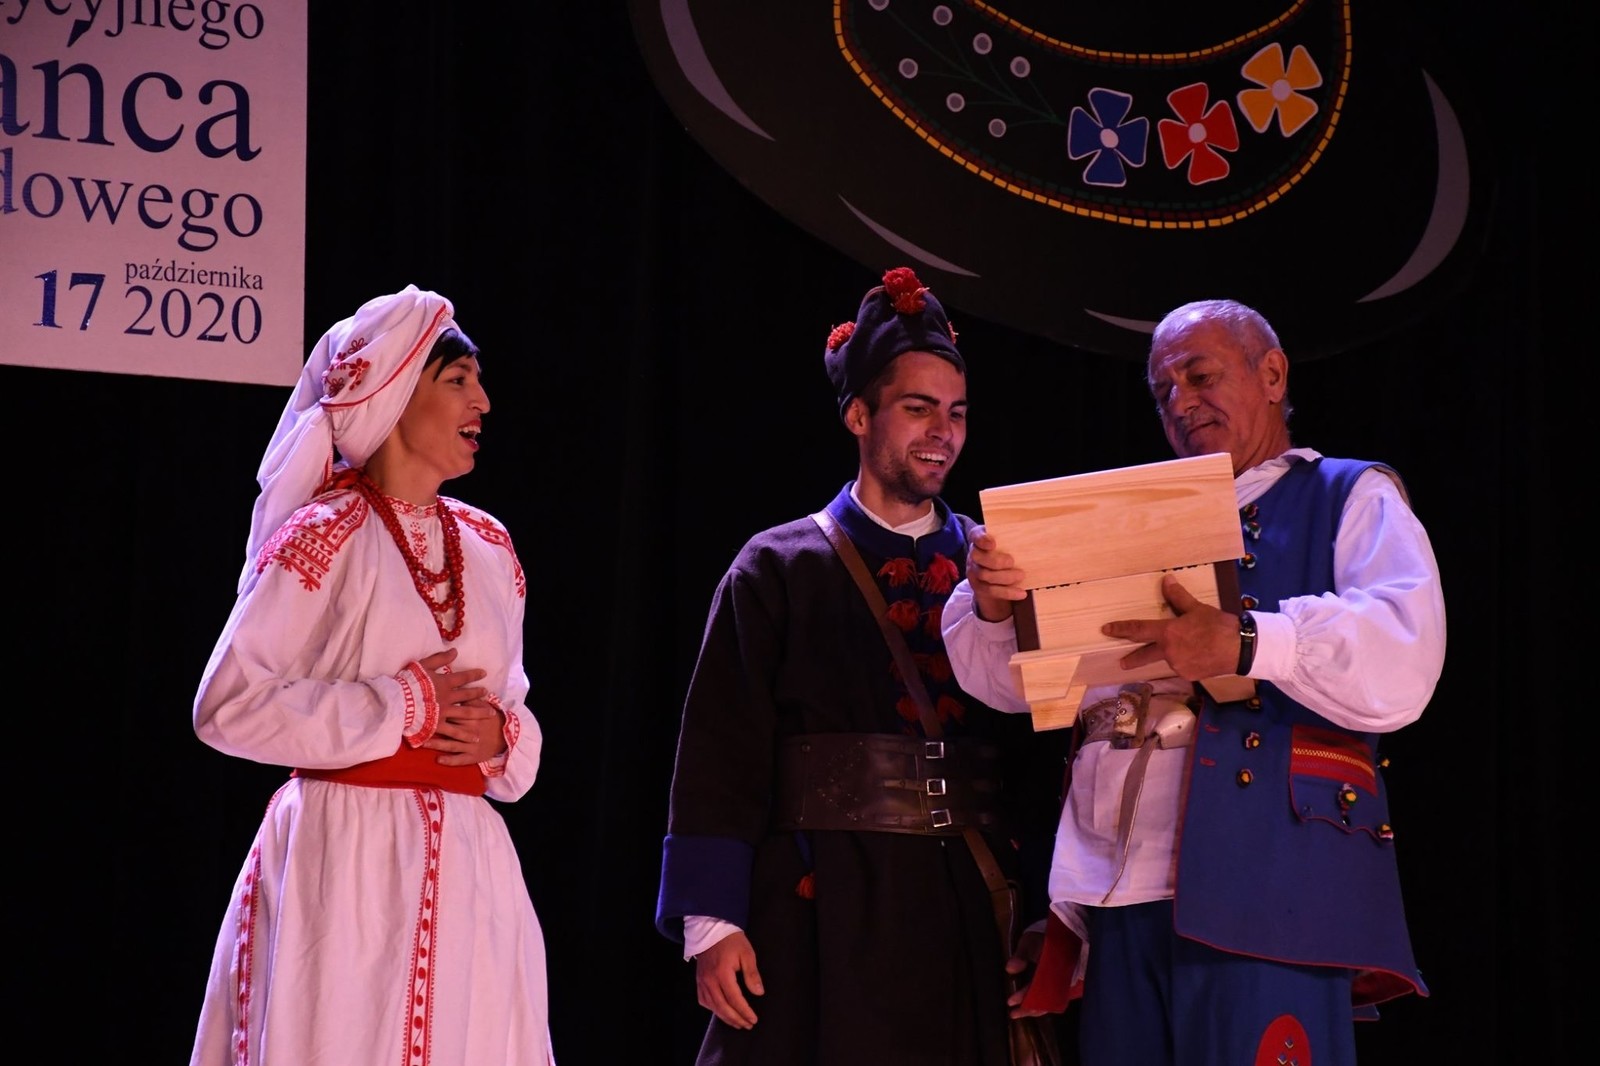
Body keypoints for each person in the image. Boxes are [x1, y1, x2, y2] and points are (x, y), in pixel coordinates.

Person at [942, 298, 1445, 1066]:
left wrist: (1245, 641)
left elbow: (1404, 654)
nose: (1180, 402)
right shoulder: (1125, 519)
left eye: (1200, 376)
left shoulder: (1348, 495)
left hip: (1268, 890)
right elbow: (1008, 687)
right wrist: (993, 604)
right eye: (1163, 391)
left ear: (1271, 374)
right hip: (1121, 894)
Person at [654, 266, 1068, 1065]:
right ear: (857, 415)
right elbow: (720, 751)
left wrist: (1056, 910)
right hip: (824, 905)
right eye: (917, 408)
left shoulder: (1000, 566)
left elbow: (1044, 752)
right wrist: (712, 922)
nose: (941, 431)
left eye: (956, 412)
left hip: (971, 904)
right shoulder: (777, 567)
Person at [188, 285, 556, 1066]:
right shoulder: (324, 535)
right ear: (391, 392)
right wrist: (397, 707)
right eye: (457, 380)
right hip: (346, 862)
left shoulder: (490, 547)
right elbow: (228, 704)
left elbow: (515, 709)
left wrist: (500, 735)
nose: (483, 402)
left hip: (470, 869)